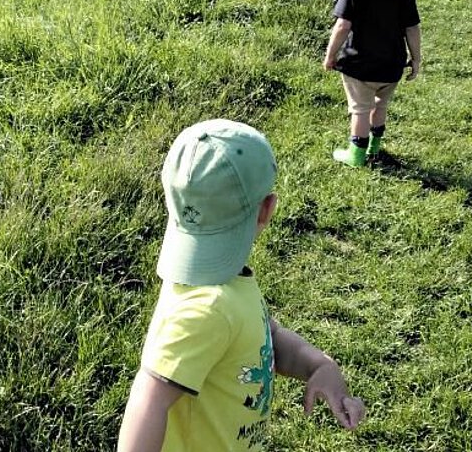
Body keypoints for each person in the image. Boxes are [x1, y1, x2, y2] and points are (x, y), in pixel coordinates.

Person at [117, 119, 366, 451]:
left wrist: (318, 365)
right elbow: (149, 397)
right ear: (267, 209)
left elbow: (268, 338)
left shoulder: (225, 282)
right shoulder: (209, 308)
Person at [323, 0, 422, 167]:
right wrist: (416, 59)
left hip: (359, 68)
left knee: (360, 110)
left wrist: (330, 55)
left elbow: (342, 27)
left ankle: (356, 155)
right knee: (380, 105)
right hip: (391, 66)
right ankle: (374, 149)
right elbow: (412, 29)